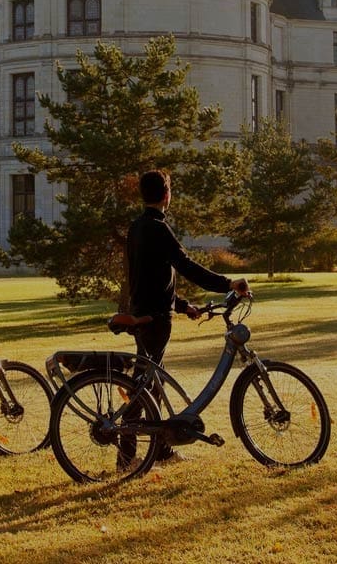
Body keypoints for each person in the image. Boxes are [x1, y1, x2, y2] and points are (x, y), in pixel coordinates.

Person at [125, 169, 249, 463]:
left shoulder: (136, 227)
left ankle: (155, 451)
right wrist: (227, 284)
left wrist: (182, 306)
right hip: (156, 319)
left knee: (150, 383)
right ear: (167, 195)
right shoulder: (158, 227)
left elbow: (147, 278)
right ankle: (134, 455)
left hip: (143, 312)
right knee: (145, 385)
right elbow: (186, 266)